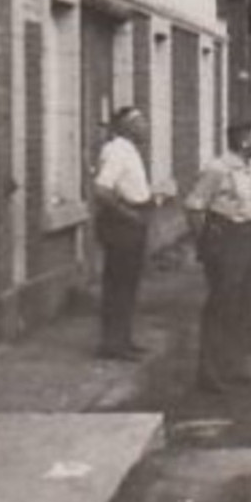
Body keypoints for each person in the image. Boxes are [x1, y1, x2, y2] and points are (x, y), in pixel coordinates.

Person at [183, 122, 251, 393]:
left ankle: (234, 365)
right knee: (221, 305)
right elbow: (194, 205)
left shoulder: (250, 166)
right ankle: (208, 372)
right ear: (243, 141)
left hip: (249, 237)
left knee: (244, 304)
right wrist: (207, 244)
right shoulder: (218, 168)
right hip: (226, 240)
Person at [93, 106, 153, 361]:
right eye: (140, 121)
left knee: (128, 283)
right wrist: (129, 215)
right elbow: (102, 190)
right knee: (119, 284)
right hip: (122, 224)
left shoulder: (129, 150)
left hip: (133, 219)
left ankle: (123, 339)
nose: (146, 126)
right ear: (126, 126)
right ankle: (113, 344)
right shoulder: (117, 151)